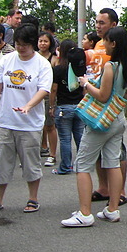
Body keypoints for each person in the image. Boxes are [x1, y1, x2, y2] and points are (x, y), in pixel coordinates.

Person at [62, 26, 127, 227]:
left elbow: (102, 96)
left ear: (114, 44)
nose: (103, 45)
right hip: (118, 119)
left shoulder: (110, 67)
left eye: (106, 42)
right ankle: (113, 209)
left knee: (82, 165)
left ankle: (85, 213)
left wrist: (86, 84)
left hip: (101, 122)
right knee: (112, 162)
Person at [0, 23, 53, 215]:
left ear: (33, 44)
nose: (21, 48)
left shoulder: (42, 64)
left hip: (29, 123)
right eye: (18, 44)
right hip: (5, 121)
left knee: (30, 162)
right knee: (0, 161)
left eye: (25, 44)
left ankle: (33, 198)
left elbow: (44, 90)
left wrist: (28, 106)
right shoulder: (7, 60)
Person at [88, 8, 127, 206]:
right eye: (96, 22)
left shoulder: (117, 54)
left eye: (102, 23)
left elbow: (123, 91)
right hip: (96, 107)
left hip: (109, 107)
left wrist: (87, 86)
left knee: (116, 152)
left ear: (113, 25)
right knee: (99, 151)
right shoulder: (95, 44)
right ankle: (104, 188)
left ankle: (119, 191)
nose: (98, 26)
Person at [50, 40, 85, 175]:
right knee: (80, 137)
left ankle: (65, 167)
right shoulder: (81, 69)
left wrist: (52, 106)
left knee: (65, 139)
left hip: (64, 108)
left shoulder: (58, 69)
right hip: (79, 107)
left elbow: (53, 90)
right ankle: (82, 165)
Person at [37, 31, 59, 166]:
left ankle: (52, 154)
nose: (42, 44)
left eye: (45, 41)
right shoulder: (33, 57)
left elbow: (54, 85)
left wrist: (52, 104)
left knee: (50, 126)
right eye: (40, 41)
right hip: (34, 96)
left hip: (48, 97)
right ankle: (35, 153)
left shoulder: (54, 59)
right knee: (35, 126)